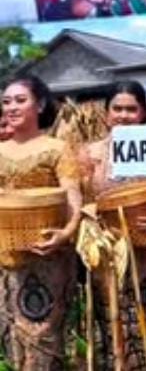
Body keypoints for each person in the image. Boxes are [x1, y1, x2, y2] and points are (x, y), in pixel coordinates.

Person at [80, 80, 146, 369]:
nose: (124, 115)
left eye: (131, 109)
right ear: (106, 113)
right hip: (109, 258)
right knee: (116, 334)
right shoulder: (91, 154)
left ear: (143, 113)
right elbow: (80, 201)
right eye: (118, 109)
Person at [0, 74, 82, 370]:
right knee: (12, 334)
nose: (11, 107)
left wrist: (66, 233)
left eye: (20, 100)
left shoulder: (57, 148)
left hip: (48, 254)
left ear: (40, 105)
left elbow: (73, 194)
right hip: (6, 256)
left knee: (43, 333)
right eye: (7, 101)